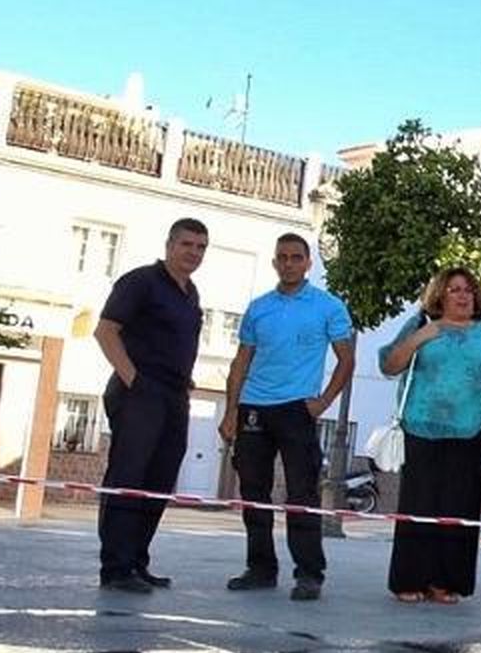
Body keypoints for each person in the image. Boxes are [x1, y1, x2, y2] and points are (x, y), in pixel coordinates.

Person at [379, 266, 481, 603]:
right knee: (418, 506)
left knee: (458, 509)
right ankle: (409, 581)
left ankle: (445, 583)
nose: (463, 296)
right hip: (420, 428)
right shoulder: (420, 324)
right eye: (454, 290)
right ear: (439, 296)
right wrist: (421, 337)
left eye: (468, 290)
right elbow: (389, 365)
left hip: (469, 432)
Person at [219, 233, 355, 600]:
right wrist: (231, 410)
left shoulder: (328, 306)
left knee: (302, 493)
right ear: (275, 262)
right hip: (254, 409)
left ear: (309, 263)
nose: (289, 263)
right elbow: (240, 362)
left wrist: (323, 402)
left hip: (297, 408)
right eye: (283, 257)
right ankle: (260, 568)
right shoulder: (259, 307)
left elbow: (346, 360)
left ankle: (309, 573)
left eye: (297, 257)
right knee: (253, 491)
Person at [93, 217, 208, 594]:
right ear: (169, 245)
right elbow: (106, 332)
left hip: (174, 395)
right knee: (129, 477)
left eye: (200, 247)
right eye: (187, 244)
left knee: (159, 479)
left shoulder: (191, 294)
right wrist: (135, 381)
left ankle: (137, 561)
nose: (193, 252)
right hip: (139, 391)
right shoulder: (140, 281)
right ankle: (115, 567)